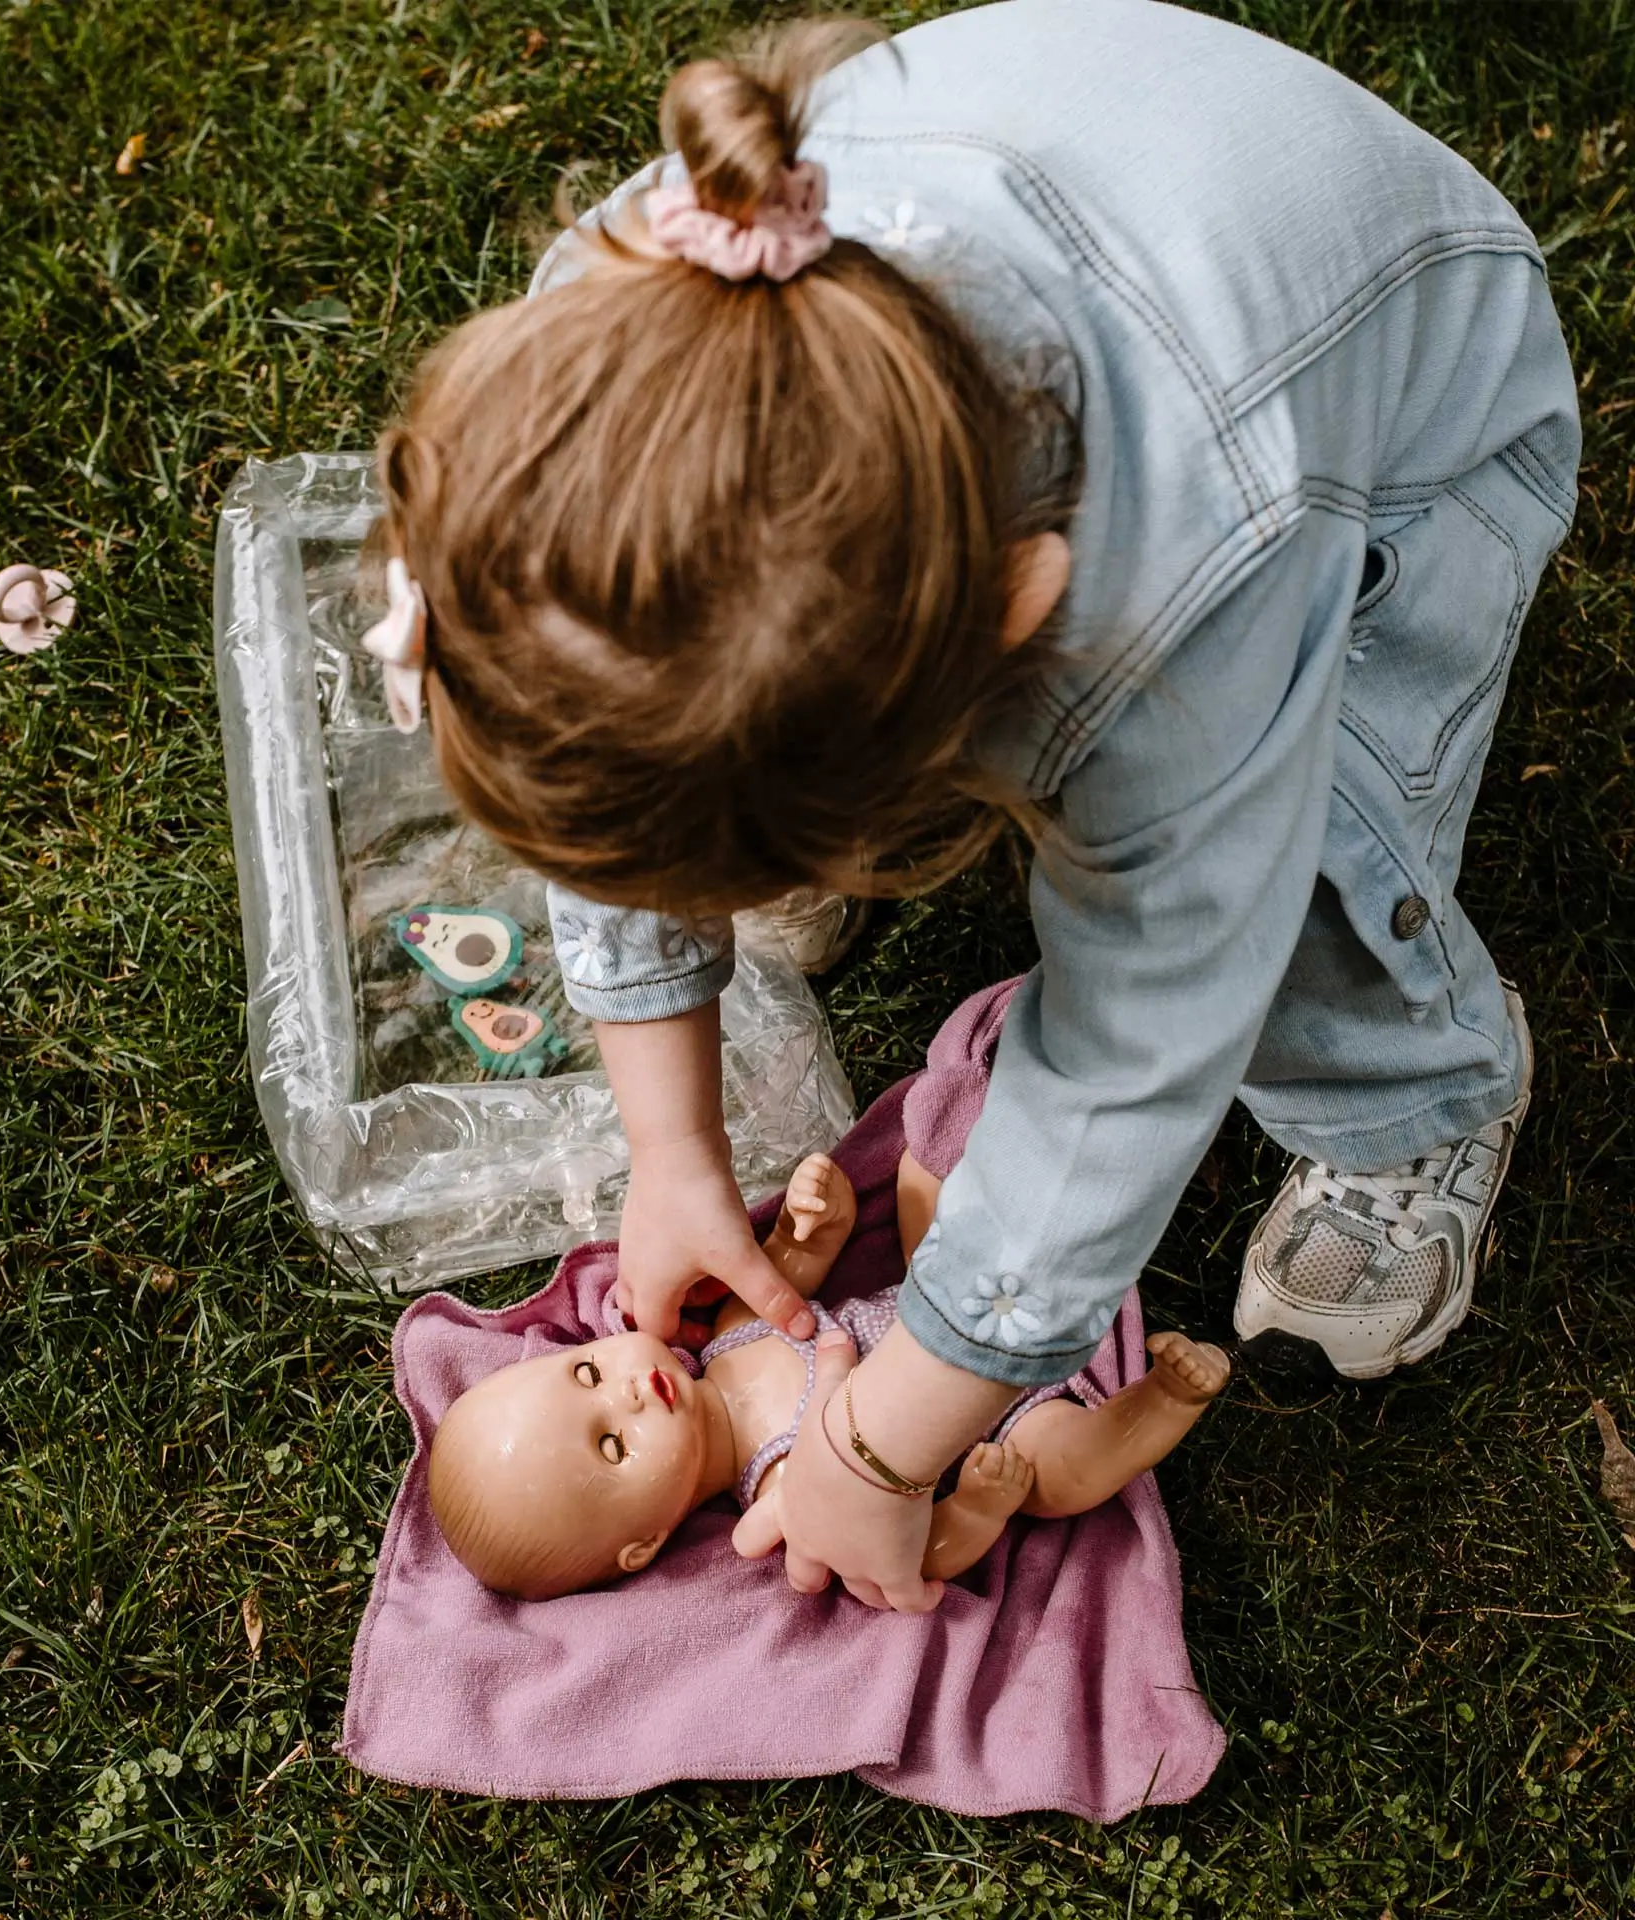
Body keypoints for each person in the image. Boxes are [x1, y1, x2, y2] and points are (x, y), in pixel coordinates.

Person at [358, 0, 1580, 1611]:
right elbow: (604, 696)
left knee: (1296, 889)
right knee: (654, 756)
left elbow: (1142, 1041)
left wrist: (881, 1450)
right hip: (1121, 193)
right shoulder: (630, 360)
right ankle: (754, 794)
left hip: (1404, 427)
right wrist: (672, 1149)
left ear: (1009, 618)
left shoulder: (1181, 598)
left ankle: (1416, 1087)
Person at [428, 1151, 1228, 1600]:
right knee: (1061, 1478)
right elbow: (906, 1553)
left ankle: (1001, 1129)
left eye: (589, 1374)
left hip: (947, 1298)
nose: (629, 1393)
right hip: (1004, 1427)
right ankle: (1162, 1398)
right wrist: (980, 1509)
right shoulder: (782, 1494)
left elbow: (797, 1270)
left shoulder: (733, 1331)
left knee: (924, 1176)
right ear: (646, 1543)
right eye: (611, 1445)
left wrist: (818, 1220)